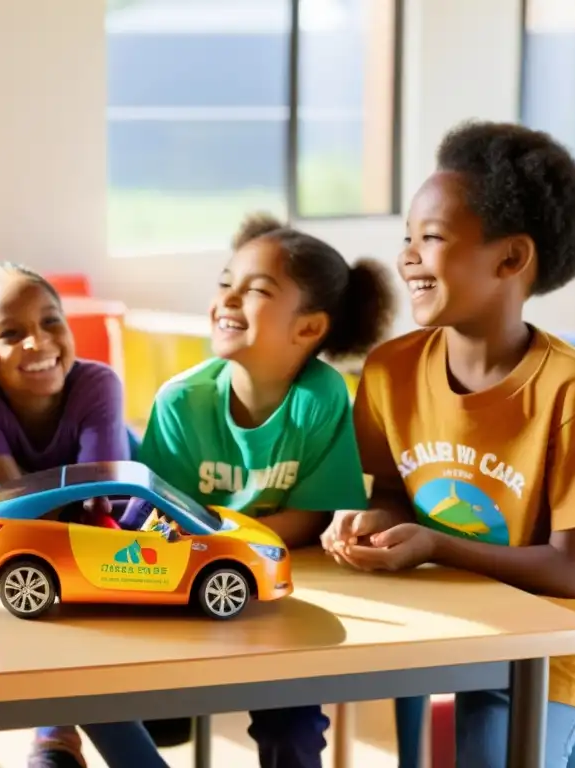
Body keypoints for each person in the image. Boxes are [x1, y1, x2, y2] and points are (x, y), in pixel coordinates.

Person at [321, 121, 575, 767]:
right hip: (441, 620)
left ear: (510, 259)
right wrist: (367, 524)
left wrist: (436, 544)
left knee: (493, 752)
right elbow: (392, 493)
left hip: (556, 642)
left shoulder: (573, 390)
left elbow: (573, 572)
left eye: (433, 238)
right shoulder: (390, 369)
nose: (409, 257)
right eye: (407, 238)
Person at [133, 212, 396, 768]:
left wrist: (226, 549)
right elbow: (156, 515)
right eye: (226, 283)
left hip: (281, 599)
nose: (227, 300)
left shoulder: (320, 398)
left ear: (308, 329)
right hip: (180, 589)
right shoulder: (181, 401)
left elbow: (314, 516)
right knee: (129, 710)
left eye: (254, 291)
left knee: (293, 727)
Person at [0, 261, 166, 768]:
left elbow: (103, 500)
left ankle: (56, 733)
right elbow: (11, 501)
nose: (38, 342)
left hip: (130, 519)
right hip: (67, 530)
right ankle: (56, 734)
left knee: (75, 598)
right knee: (44, 596)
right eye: (10, 333)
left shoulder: (97, 383)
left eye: (51, 321)